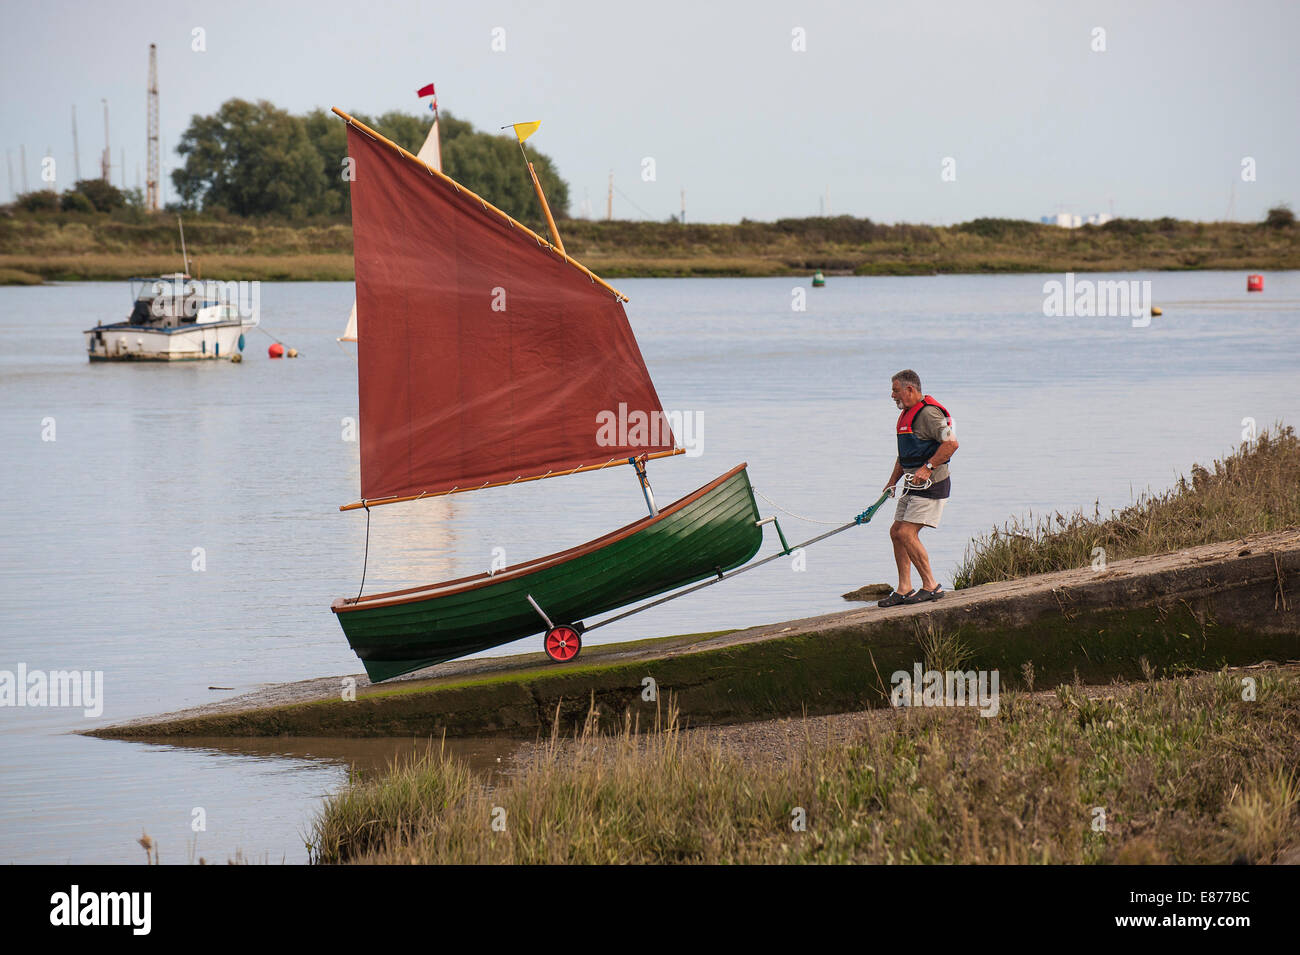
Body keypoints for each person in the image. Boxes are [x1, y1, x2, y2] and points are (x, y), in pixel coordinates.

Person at [878, 370, 958, 606]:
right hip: (912, 486)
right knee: (896, 532)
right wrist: (892, 481)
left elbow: (952, 444)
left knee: (906, 533)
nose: (892, 395)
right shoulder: (906, 415)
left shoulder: (930, 414)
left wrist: (928, 468)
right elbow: (904, 456)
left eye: (895, 390)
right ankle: (904, 589)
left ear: (910, 389)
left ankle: (931, 586)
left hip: (933, 485)